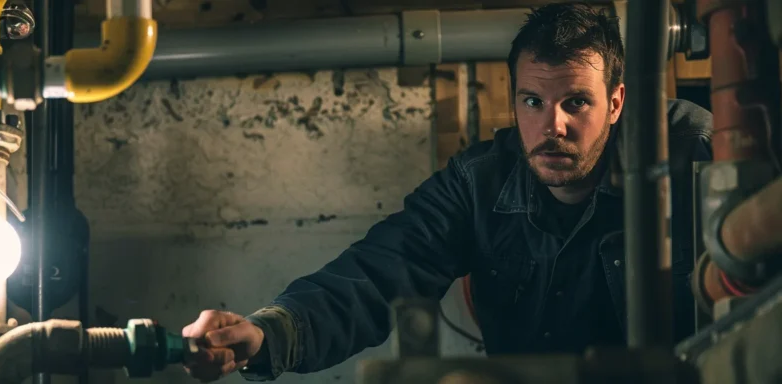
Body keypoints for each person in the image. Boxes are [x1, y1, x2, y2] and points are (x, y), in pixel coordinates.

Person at [182, 3, 713, 382]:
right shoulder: (478, 182)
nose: (553, 125)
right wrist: (263, 334)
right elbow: (374, 276)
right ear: (514, 97)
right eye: (532, 102)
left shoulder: (692, 153)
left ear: (616, 103)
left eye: (576, 103)